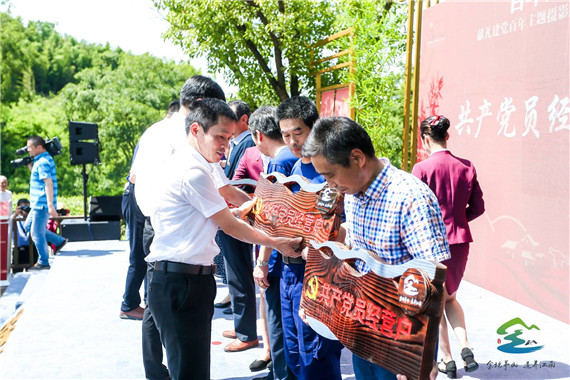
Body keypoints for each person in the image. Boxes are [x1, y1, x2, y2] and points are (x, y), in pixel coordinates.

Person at [145, 98, 301, 380]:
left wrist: (258, 212)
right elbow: (230, 225)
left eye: (229, 138)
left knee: (192, 366)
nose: (225, 146)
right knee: (189, 371)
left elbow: (229, 197)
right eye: (219, 136)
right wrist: (277, 241)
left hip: (189, 278)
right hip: (180, 280)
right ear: (196, 130)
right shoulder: (192, 172)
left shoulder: (202, 162)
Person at [302, 116, 450, 380]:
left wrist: (419, 355)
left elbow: (432, 285)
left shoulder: (410, 198)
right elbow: (355, 255)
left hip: (400, 337)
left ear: (357, 158)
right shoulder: (352, 192)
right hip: (363, 327)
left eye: (330, 175)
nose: (330, 184)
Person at [131, 75, 253, 380]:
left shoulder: (165, 134)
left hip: (169, 231)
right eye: (222, 136)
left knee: (166, 323)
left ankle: (160, 373)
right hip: (171, 234)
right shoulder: (185, 142)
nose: (225, 143)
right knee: (175, 335)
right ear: (201, 107)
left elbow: (221, 188)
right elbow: (223, 207)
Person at [254, 97, 343, 380]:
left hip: (319, 276)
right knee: (293, 356)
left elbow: (339, 229)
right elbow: (273, 220)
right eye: (285, 134)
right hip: (289, 273)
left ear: (314, 127)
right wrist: (263, 260)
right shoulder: (291, 170)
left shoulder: (331, 172)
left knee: (317, 357)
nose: (292, 141)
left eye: (298, 132)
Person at [412, 115, 484, 378]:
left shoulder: (422, 169)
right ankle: (465, 347)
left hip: (432, 243)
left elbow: (415, 210)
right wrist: (458, 220)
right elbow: (478, 207)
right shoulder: (467, 167)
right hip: (460, 242)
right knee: (449, 297)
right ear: (447, 137)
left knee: (435, 302)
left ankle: (447, 358)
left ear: (425, 139)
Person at [119, 99, 182, 321]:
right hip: (137, 195)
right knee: (139, 254)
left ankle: (148, 300)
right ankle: (129, 304)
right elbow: (134, 175)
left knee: (147, 253)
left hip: (140, 194)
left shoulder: (155, 132)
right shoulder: (157, 133)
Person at [217, 99, 260, 353]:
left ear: (244, 120)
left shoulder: (246, 142)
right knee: (237, 274)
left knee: (240, 273)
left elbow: (239, 183)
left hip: (240, 213)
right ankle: (242, 324)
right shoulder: (238, 143)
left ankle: (246, 332)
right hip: (236, 212)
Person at [24, 136, 67, 270]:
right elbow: (40, 178)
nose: (28, 150)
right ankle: (59, 241)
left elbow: (48, 182)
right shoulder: (41, 160)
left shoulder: (42, 161)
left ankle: (43, 261)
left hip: (41, 204)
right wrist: (29, 166)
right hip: (37, 204)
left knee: (36, 233)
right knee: (28, 227)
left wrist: (50, 205)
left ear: (39, 147)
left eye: (30, 147)